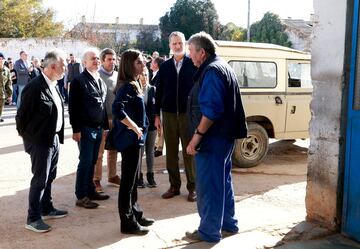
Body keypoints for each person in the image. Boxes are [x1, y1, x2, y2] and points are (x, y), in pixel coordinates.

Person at [185, 32, 247, 242]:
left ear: (202, 52)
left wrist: (196, 138)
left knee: (209, 186)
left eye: (191, 51)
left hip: (212, 139)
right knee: (222, 181)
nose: (190, 56)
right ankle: (229, 224)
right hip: (223, 138)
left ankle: (209, 232)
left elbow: (211, 111)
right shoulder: (223, 66)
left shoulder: (211, 71)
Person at [15, 50, 68, 233]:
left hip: (52, 138)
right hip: (39, 141)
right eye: (63, 65)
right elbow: (21, 117)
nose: (65, 68)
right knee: (39, 179)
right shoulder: (34, 86)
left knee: (50, 176)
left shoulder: (54, 84)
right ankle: (33, 218)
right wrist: (30, 141)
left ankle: (46, 208)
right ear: (53, 66)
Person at [112, 49, 154, 235]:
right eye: (139, 62)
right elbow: (117, 110)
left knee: (133, 181)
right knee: (128, 183)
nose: (143, 64)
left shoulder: (134, 82)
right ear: (130, 65)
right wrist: (135, 127)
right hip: (130, 140)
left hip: (136, 141)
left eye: (143, 61)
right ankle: (127, 223)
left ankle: (136, 214)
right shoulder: (127, 86)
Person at [155, 31, 197, 202]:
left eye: (180, 43)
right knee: (171, 152)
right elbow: (158, 93)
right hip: (169, 114)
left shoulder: (193, 63)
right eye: (174, 44)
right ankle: (174, 186)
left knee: (189, 151)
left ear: (185, 44)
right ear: (170, 46)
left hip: (188, 115)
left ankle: (193, 188)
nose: (177, 46)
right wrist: (156, 115)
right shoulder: (164, 67)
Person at [69, 48, 110, 209]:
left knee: (93, 161)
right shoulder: (78, 81)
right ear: (84, 62)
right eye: (92, 59)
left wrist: (105, 126)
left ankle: (91, 190)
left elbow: (103, 106)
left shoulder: (99, 79)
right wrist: (75, 130)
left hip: (98, 127)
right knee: (85, 162)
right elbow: (73, 108)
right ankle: (81, 196)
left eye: (97, 59)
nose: (96, 61)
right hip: (85, 128)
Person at [93, 48, 120, 193]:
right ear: (102, 60)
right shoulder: (97, 76)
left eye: (114, 59)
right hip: (102, 119)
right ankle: (96, 179)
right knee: (99, 152)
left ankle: (112, 175)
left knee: (114, 149)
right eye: (109, 59)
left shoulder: (118, 75)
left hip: (116, 119)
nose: (112, 62)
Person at [137, 67, 157, 188]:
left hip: (152, 126)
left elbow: (156, 107)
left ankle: (151, 175)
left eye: (145, 74)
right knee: (140, 151)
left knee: (150, 151)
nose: (144, 77)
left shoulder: (152, 89)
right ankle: (139, 176)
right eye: (142, 75)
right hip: (139, 126)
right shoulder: (135, 89)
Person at [150, 57, 165, 157]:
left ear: (156, 64)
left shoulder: (160, 74)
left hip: (160, 105)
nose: (150, 64)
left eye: (152, 62)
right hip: (154, 104)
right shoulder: (153, 74)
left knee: (160, 126)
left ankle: (159, 147)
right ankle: (156, 145)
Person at [0, 52, 12, 122]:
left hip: (2, 94)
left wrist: (10, 94)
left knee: (1, 107)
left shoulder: (7, 70)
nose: (1, 61)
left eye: (2, 59)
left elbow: (9, 83)